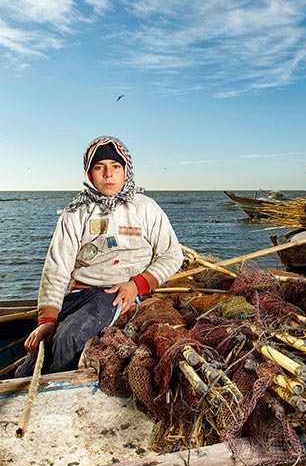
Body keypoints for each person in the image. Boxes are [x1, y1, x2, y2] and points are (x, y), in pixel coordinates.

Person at [16, 135, 183, 377]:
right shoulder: (75, 213)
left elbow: (172, 255)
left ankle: (54, 401)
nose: (108, 174)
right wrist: (46, 320)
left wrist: (137, 285)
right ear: (89, 173)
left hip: (115, 294)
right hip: (79, 293)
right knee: (32, 360)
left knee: (70, 337)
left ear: (126, 171)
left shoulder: (145, 208)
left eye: (116, 167)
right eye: (99, 167)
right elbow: (57, 268)